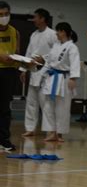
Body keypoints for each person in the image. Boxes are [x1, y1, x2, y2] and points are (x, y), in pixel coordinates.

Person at [37, 22, 80, 142]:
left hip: (64, 79)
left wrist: (73, 78)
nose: (56, 33)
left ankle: (60, 133)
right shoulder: (56, 46)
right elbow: (48, 63)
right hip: (51, 78)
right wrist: (41, 75)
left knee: (63, 107)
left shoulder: (72, 47)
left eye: (59, 31)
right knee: (48, 106)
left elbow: (75, 63)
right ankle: (51, 132)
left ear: (64, 32)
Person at [20, 8, 57, 137]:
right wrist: (23, 69)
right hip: (33, 71)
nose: (34, 20)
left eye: (36, 17)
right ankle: (30, 128)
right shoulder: (34, 34)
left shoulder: (52, 34)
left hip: (46, 73)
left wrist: (44, 58)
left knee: (46, 103)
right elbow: (29, 53)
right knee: (31, 102)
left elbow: (57, 52)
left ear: (42, 19)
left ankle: (51, 130)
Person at [0, 1, 20, 151]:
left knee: (5, 108)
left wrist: (25, 62)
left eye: (6, 14)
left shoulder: (14, 31)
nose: (4, 17)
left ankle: (4, 140)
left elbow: (17, 51)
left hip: (9, 72)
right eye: (0, 15)